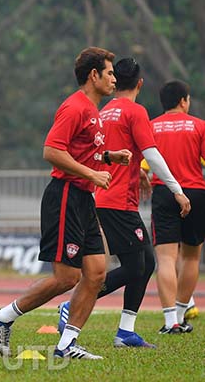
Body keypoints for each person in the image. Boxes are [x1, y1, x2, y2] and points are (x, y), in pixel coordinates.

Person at [0, 47, 131, 359]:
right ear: (94, 75)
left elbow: (79, 150)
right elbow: (52, 151)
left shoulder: (93, 111)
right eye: (109, 73)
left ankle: (66, 345)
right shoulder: (75, 107)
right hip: (65, 195)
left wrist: (108, 157)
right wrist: (92, 172)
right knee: (67, 277)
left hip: (83, 199)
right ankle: (2, 317)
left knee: (96, 273)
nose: (114, 79)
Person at [57, 58, 190, 347]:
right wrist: (176, 189)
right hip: (117, 200)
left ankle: (126, 330)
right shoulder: (135, 111)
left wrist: (137, 173)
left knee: (147, 261)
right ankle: (72, 306)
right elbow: (151, 153)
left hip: (106, 196)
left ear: (116, 80)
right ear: (140, 84)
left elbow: (117, 151)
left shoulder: (105, 110)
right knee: (135, 267)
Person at [146, 80, 205, 334]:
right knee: (191, 256)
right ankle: (181, 315)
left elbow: (144, 164)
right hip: (195, 191)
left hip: (164, 192)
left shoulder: (151, 126)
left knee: (166, 258)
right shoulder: (199, 126)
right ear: (183, 101)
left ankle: (171, 321)